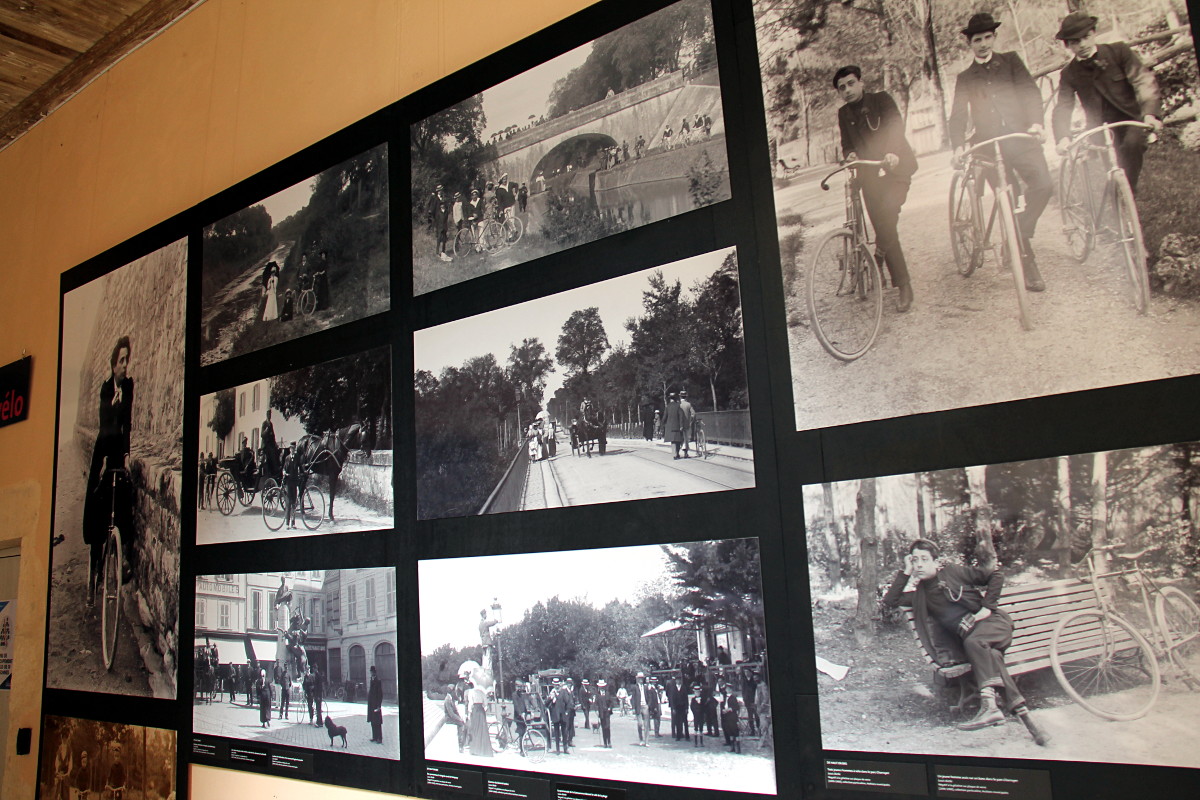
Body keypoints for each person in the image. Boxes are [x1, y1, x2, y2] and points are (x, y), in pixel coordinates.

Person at [881, 538, 1044, 736]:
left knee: (974, 641)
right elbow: (890, 600)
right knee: (992, 657)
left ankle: (989, 708)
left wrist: (986, 608)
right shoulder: (920, 595)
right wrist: (905, 571)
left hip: (995, 626)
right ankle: (1028, 721)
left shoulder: (952, 573)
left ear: (936, 561)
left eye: (924, 559)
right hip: (978, 644)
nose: (919, 565)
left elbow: (995, 574)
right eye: (915, 560)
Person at [948, 12, 1051, 292]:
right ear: (970, 43)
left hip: (1020, 137)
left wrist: (1036, 123)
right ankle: (1027, 265)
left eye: (987, 38)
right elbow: (957, 115)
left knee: (1044, 185)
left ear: (994, 38)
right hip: (989, 147)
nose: (983, 44)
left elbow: (1030, 93)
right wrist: (957, 145)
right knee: (1010, 195)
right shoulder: (966, 78)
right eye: (977, 39)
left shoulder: (1012, 62)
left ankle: (1020, 229)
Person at [833, 64, 919, 312]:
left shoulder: (882, 99)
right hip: (869, 177)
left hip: (896, 170)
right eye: (842, 88)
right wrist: (849, 155)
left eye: (850, 84)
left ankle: (880, 256)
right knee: (884, 225)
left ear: (861, 83)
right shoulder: (843, 114)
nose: (847, 90)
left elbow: (895, 124)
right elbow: (847, 144)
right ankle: (903, 284)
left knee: (889, 213)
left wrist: (892, 150)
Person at [1052, 11, 1163, 194]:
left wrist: (1150, 113)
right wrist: (1062, 136)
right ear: (1068, 45)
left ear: (1094, 33)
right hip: (1101, 130)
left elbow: (1143, 81)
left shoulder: (1118, 51)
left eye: (1086, 37)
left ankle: (1126, 196)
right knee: (1112, 171)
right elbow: (1063, 106)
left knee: (1131, 147)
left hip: (1130, 120)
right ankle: (1120, 201)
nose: (1083, 45)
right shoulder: (1069, 73)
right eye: (1075, 42)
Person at [82, 336, 134, 602]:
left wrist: (126, 455)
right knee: (96, 508)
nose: (126, 366)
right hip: (103, 452)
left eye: (127, 360)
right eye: (121, 361)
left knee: (125, 496)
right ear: (114, 365)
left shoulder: (129, 385)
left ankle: (124, 556)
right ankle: (94, 575)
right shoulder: (105, 389)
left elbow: (127, 423)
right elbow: (107, 425)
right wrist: (104, 462)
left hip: (117, 452)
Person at [630, 671, 658, 745]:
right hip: (638, 706)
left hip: (645, 706)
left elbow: (649, 696)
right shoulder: (635, 687)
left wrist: (648, 705)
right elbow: (633, 698)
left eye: (642, 678)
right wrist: (633, 708)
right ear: (637, 679)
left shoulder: (645, 687)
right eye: (639, 678)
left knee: (646, 724)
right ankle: (641, 739)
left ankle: (647, 741)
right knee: (640, 724)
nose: (641, 680)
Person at [467, 679, 492, 756]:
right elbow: (486, 704)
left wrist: (469, 712)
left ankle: (475, 749)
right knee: (482, 729)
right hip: (481, 710)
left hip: (475, 710)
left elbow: (470, 703)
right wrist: (483, 709)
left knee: (475, 729)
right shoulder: (482, 692)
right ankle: (483, 749)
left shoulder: (471, 692)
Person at [430, 184, 452, 262]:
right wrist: (433, 218)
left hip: (443, 217)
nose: (440, 191)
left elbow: (447, 207)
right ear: (437, 191)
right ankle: (437, 252)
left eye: (441, 190)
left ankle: (443, 251)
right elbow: (432, 209)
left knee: (444, 236)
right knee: (439, 236)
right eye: (439, 190)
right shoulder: (435, 198)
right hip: (437, 218)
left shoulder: (443, 198)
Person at [443, 683, 468, 752]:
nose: (455, 692)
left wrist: (460, 717)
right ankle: (460, 745)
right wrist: (459, 719)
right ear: (451, 691)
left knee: (463, 724)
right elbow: (451, 714)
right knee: (461, 725)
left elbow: (455, 711)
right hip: (449, 719)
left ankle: (463, 743)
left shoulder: (451, 699)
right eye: (454, 691)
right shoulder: (447, 700)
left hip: (452, 717)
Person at [667, 674, 690, 740]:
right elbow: (672, 699)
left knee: (685, 722)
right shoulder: (673, 689)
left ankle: (687, 736)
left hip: (683, 706)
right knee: (677, 722)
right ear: (675, 681)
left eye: (679, 680)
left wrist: (686, 708)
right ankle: (678, 736)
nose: (678, 681)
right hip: (677, 707)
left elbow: (686, 699)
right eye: (677, 680)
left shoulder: (684, 688)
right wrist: (673, 708)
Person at [664, 391, 686, 459]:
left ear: (670, 399)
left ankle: (674, 454)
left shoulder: (667, 407)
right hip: (677, 426)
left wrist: (663, 424)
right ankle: (677, 453)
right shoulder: (678, 406)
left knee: (673, 441)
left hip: (670, 427)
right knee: (678, 440)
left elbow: (665, 417)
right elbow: (681, 416)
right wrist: (681, 425)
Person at [595, 678, 614, 748]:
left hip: (607, 712)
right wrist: (596, 710)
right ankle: (605, 742)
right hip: (601, 713)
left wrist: (610, 707)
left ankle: (609, 741)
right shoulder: (597, 695)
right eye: (600, 686)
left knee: (607, 727)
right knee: (603, 728)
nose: (601, 688)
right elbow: (596, 704)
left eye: (602, 686)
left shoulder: (607, 693)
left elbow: (611, 702)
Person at [368, 665, 384, 743]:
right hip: (371, 704)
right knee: (373, 721)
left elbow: (380, 694)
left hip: (376, 704)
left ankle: (379, 738)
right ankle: (374, 737)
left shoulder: (378, 681)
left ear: (375, 672)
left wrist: (379, 706)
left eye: (372, 672)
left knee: (377, 722)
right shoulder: (371, 680)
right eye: (371, 672)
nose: (371, 673)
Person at [261, 409, 279, 478]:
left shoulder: (271, 424)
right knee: (272, 453)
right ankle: (274, 469)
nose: (269, 416)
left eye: (270, 415)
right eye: (268, 415)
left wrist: (275, 443)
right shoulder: (264, 423)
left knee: (277, 451)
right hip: (265, 445)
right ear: (266, 415)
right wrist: (266, 430)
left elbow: (273, 435)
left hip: (270, 445)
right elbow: (262, 435)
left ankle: (276, 469)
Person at [678, 389, 696, 458]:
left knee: (679, 438)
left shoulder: (678, 404)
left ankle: (677, 452)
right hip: (686, 424)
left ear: (680, 397)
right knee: (686, 438)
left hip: (679, 424)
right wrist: (690, 420)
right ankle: (686, 452)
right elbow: (693, 414)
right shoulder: (688, 404)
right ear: (686, 397)